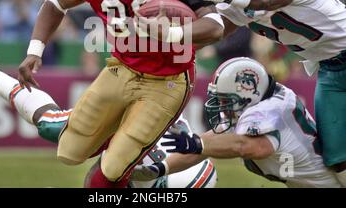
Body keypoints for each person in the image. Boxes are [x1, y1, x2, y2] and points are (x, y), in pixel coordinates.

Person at [12, 0, 224, 187]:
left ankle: (132, 149)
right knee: (69, 152)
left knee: (111, 171)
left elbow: (215, 26)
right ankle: (126, 137)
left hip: (167, 79)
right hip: (121, 68)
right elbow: (55, 2)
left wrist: (170, 34)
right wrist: (34, 50)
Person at [190, 0, 346, 186]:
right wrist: (172, 34)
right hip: (330, 70)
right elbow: (214, 31)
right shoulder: (240, 0)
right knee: (337, 158)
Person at [0, 63, 217, 188]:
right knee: (52, 126)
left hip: (149, 145)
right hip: (126, 115)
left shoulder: (184, 173)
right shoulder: (152, 164)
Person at [131, 57, 343, 188]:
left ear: (249, 92)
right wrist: (161, 169)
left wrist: (197, 143)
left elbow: (253, 147)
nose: (221, 106)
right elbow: (210, 143)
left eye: (225, 100)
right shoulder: (261, 101)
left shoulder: (268, 112)